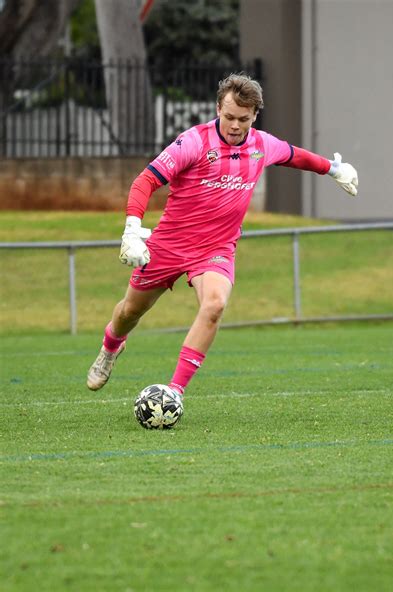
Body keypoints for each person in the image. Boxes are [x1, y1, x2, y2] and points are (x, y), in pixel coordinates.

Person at [86, 73, 358, 403]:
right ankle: (111, 347)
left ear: (254, 115)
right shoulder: (194, 142)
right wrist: (131, 230)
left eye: (243, 119)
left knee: (214, 305)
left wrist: (333, 168)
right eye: (228, 116)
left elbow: (294, 155)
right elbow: (145, 182)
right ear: (218, 109)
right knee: (129, 312)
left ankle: (175, 391)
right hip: (169, 244)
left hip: (216, 249)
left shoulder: (262, 145)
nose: (234, 125)